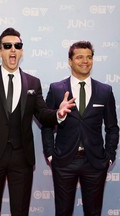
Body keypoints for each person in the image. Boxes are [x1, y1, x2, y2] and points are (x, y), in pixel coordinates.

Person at [0, 27, 75, 216]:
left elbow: (43, 114)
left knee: (21, 211)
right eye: (7, 46)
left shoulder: (33, 82)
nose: (13, 49)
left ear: (21, 51)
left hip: (22, 157)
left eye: (17, 45)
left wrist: (58, 114)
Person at [41, 41, 119, 216]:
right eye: (79, 57)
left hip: (95, 162)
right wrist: (51, 155)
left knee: (93, 212)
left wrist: (109, 157)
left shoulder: (105, 91)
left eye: (89, 57)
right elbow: (47, 125)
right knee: (63, 211)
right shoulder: (56, 89)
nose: (85, 61)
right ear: (70, 61)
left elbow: (112, 128)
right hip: (64, 161)